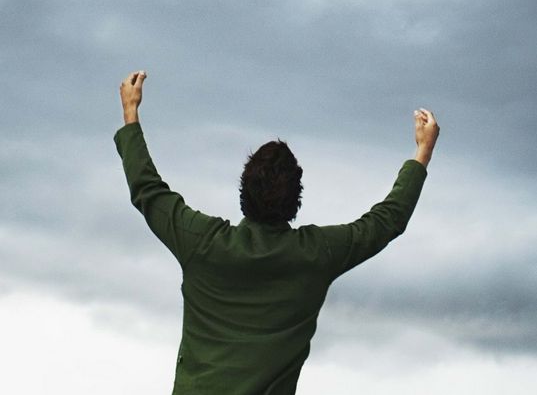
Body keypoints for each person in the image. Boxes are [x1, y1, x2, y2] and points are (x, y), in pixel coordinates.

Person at [115, 70, 439, 395]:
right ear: (295, 199)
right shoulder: (315, 254)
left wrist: (131, 113)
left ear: (244, 192)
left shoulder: (202, 243)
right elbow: (386, 221)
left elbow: (148, 191)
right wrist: (422, 153)